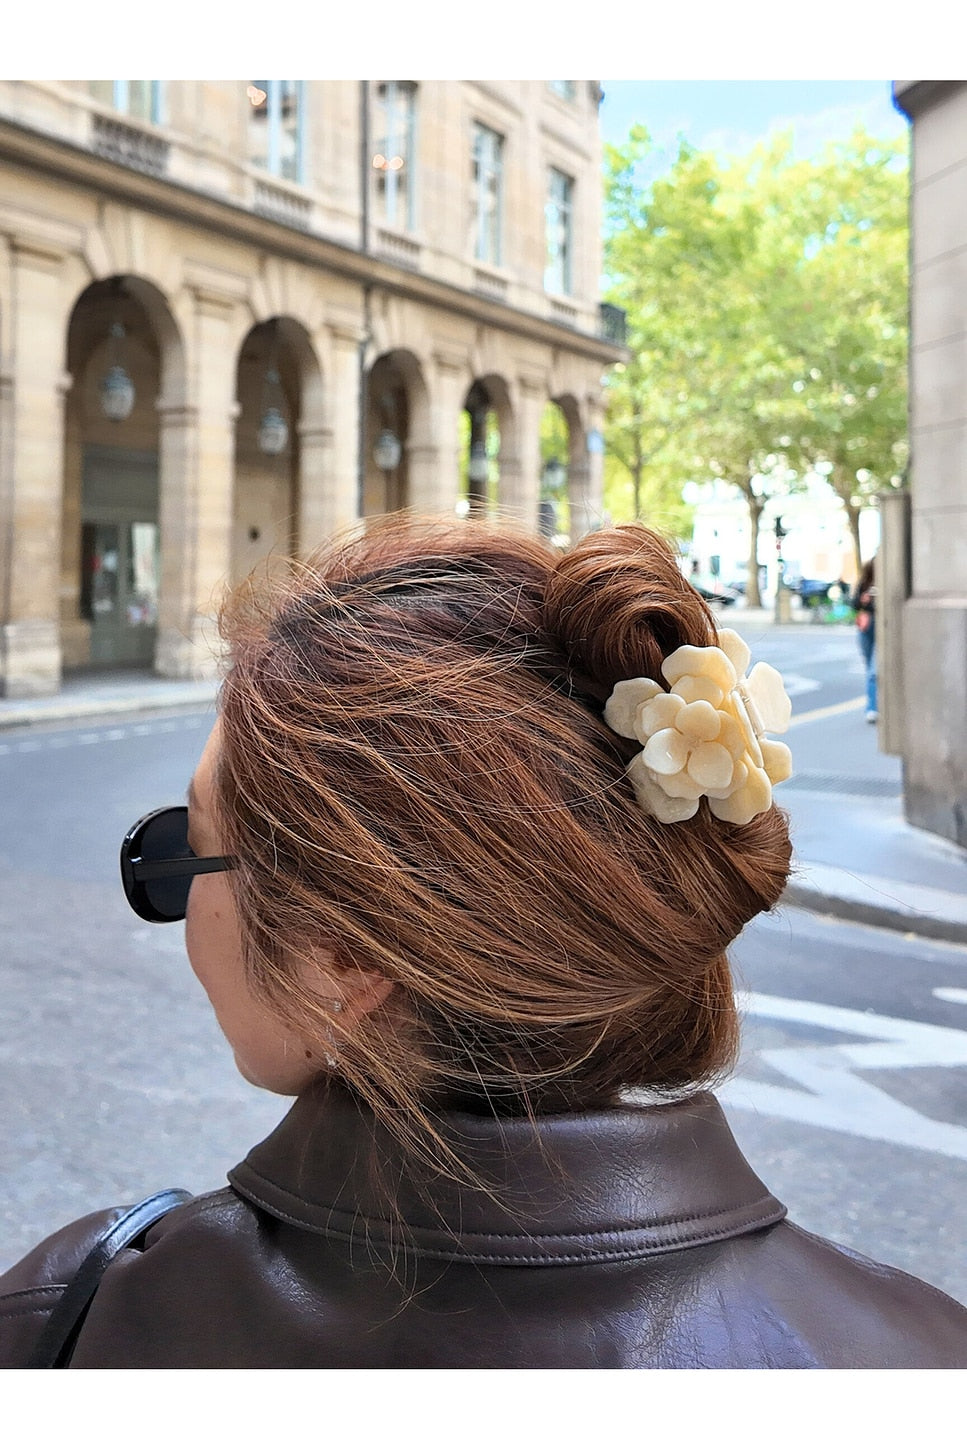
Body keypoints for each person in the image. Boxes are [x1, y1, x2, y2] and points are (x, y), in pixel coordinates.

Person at [2, 518, 966, 1369]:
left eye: (183, 856)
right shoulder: (921, 1357)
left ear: (346, 953)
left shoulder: (78, 1330)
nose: (178, 911)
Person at [852, 557, 878, 723]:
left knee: (874, 672)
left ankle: (872, 708)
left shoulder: (888, 581)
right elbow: (854, 604)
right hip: (865, 629)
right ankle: (874, 704)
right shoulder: (865, 583)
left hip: (881, 628)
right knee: (869, 667)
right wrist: (863, 600)